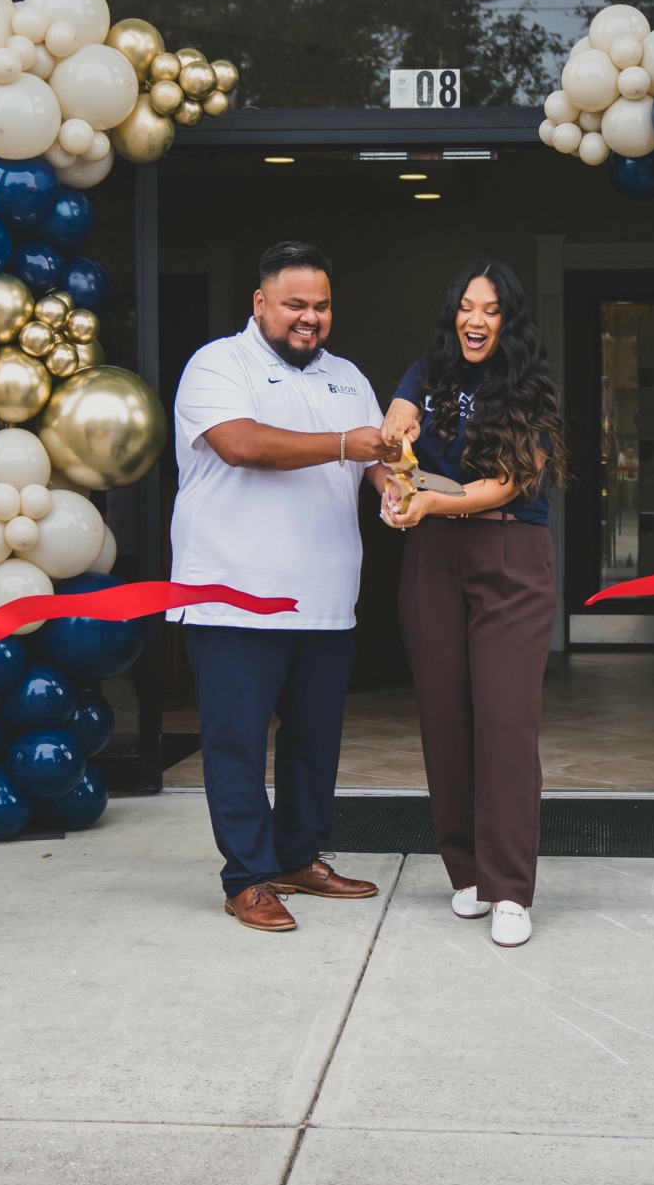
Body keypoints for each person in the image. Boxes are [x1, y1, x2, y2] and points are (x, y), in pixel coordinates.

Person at [169, 242, 396, 932]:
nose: (309, 317)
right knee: (236, 744)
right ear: (260, 303)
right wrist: (344, 444)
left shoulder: (348, 377)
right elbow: (242, 444)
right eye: (295, 304)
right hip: (232, 593)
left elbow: (378, 463)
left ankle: (298, 857)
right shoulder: (218, 363)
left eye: (321, 305)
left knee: (313, 743)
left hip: (325, 599)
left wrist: (402, 493)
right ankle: (247, 876)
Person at [379, 260, 565, 948]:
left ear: (508, 320)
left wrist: (433, 500)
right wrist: (396, 472)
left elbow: (509, 482)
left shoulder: (531, 388)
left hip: (508, 552)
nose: (475, 319)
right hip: (434, 555)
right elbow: (394, 430)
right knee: (444, 715)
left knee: (505, 721)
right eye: (466, 306)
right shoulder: (426, 373)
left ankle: (510, 887)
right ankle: (468, 871)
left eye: (489, 309)